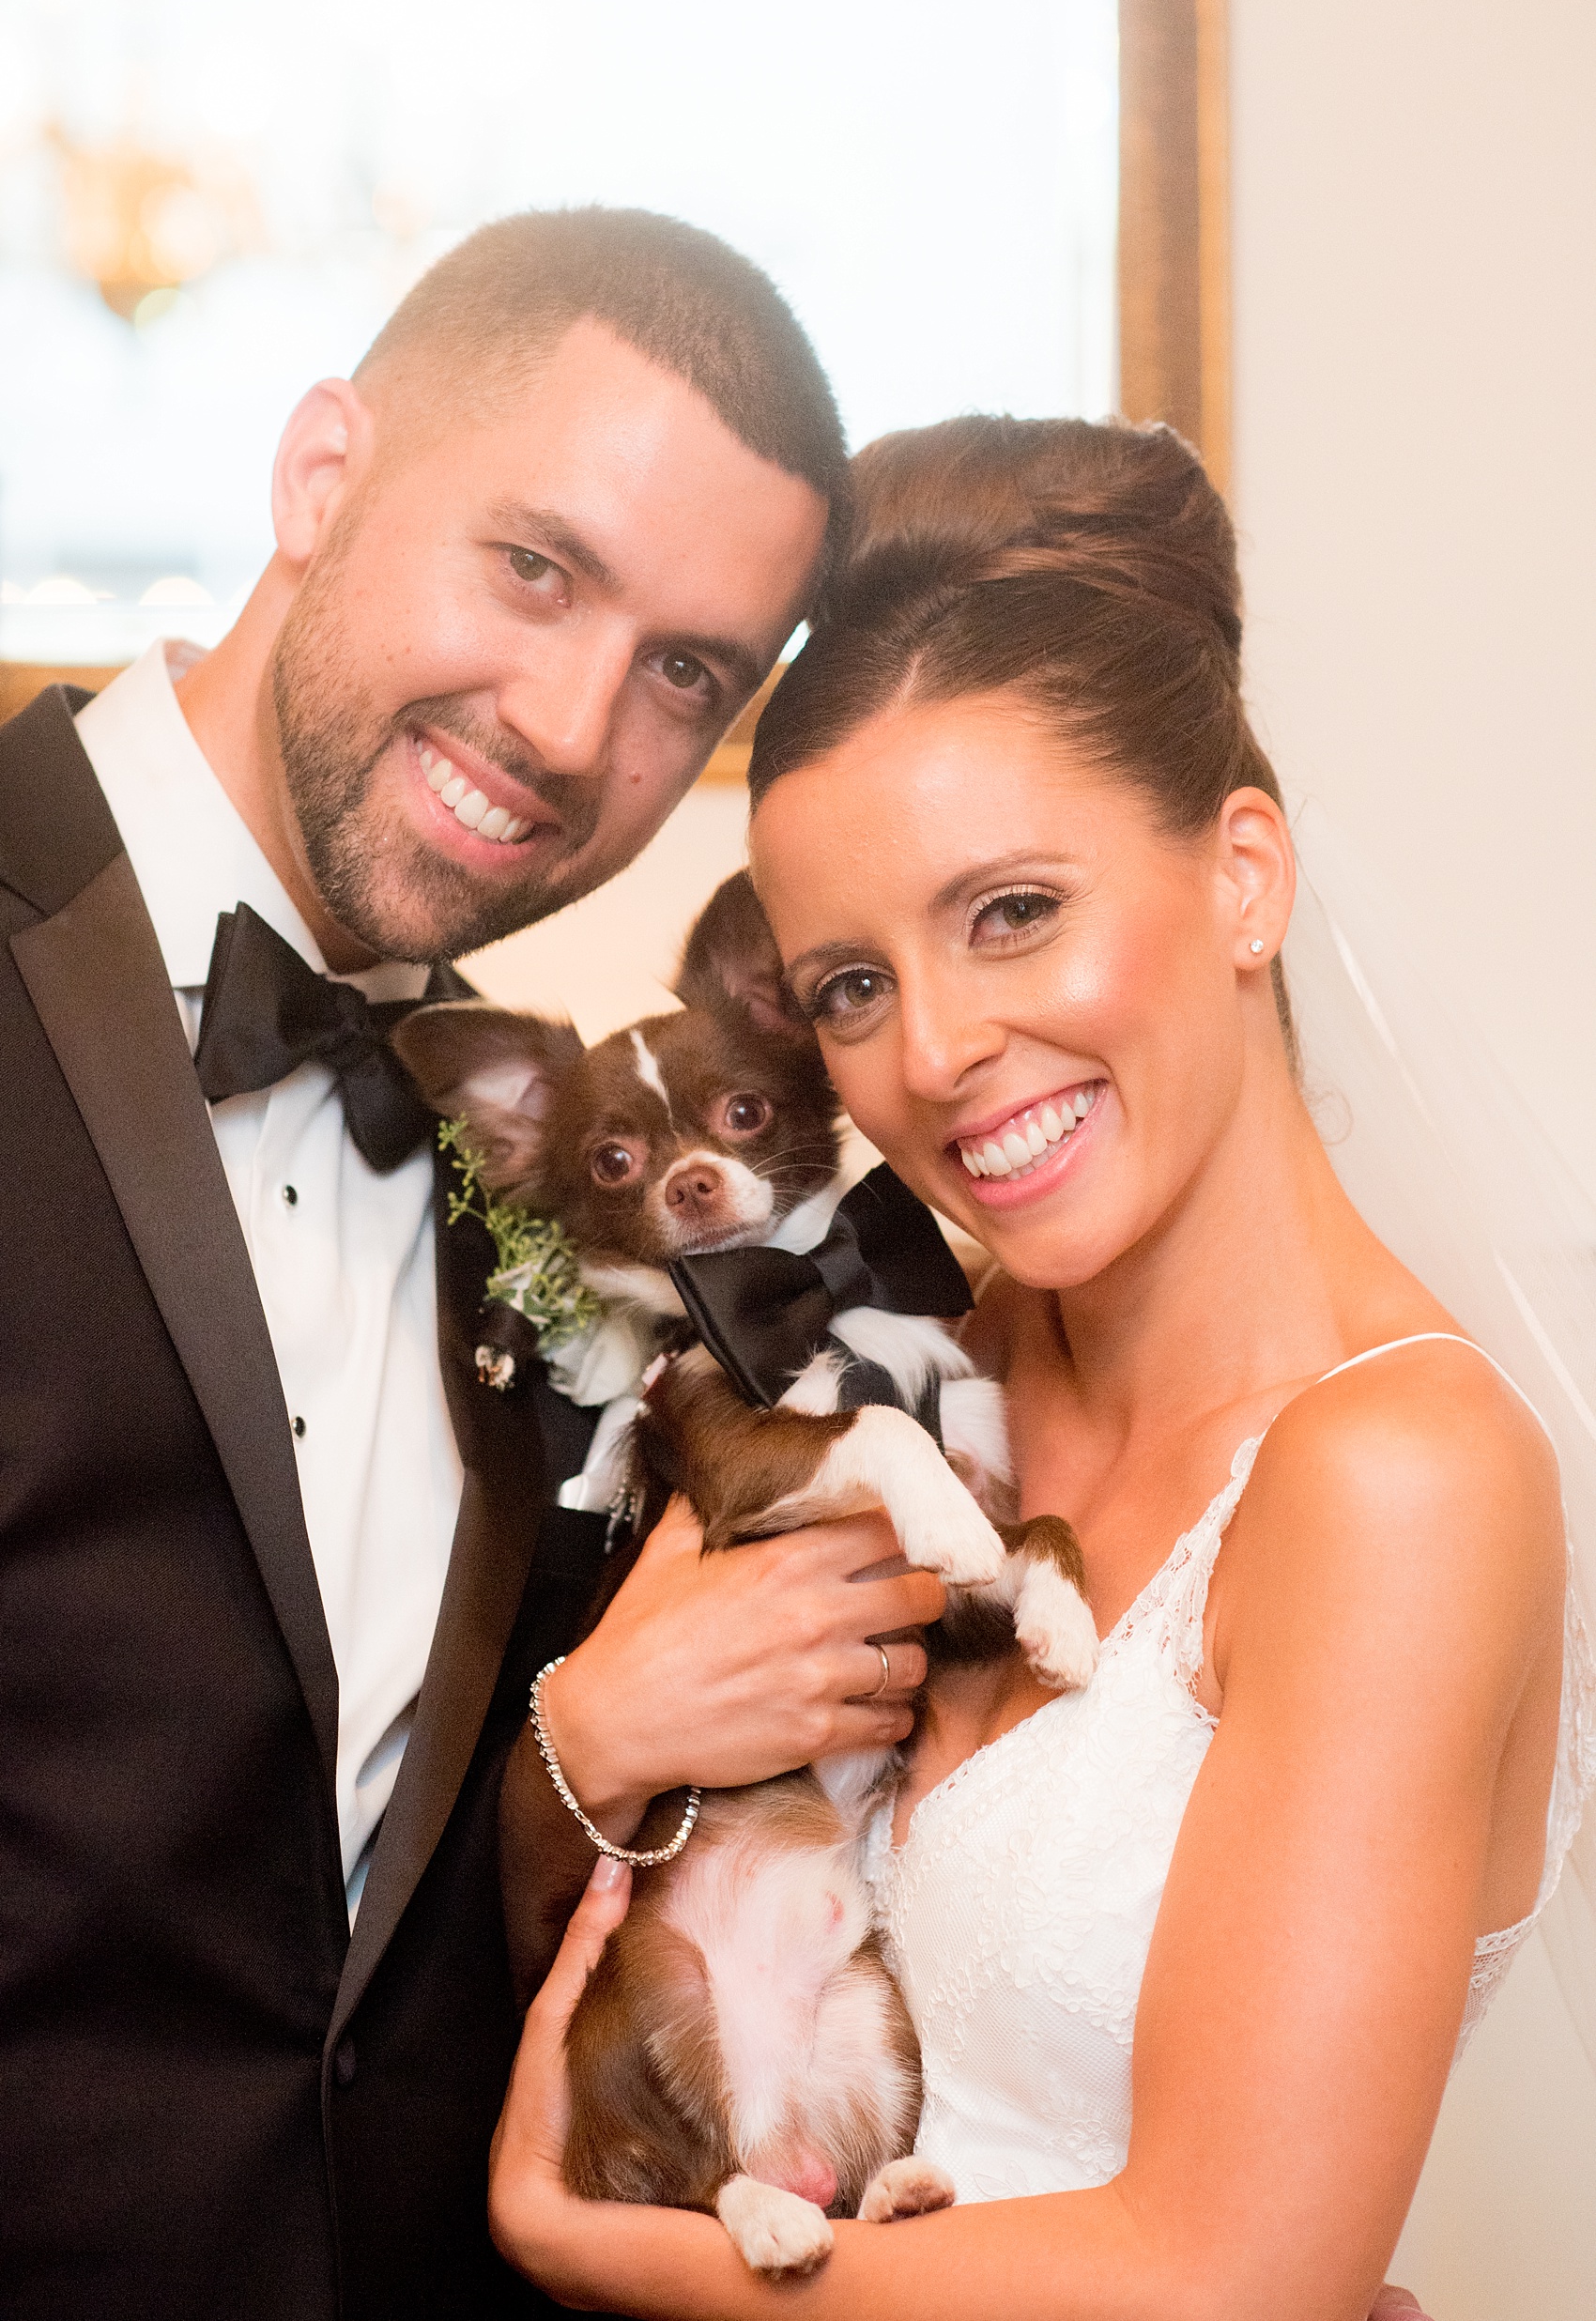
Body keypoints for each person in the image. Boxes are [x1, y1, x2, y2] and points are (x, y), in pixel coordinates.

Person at [486, 416, 1596, 2319]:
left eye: (1014, 912)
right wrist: (585, 1742)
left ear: (1243, 872)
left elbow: (1224, 2274)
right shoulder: (895, 1383)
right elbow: (607, 1916)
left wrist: (592, 2248)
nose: (934, 1050)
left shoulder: (1396, 1475)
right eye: (851, 983)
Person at [0, 207, 954, 2321]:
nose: (565, 720)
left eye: (684, 671)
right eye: (537, 567)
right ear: (320, 473)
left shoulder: (560, 1171)